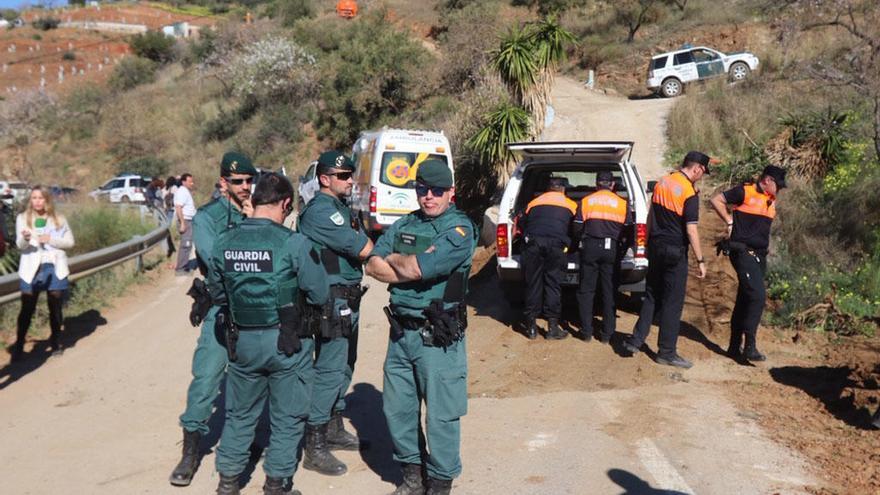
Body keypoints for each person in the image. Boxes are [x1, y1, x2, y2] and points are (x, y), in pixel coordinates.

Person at [209, 172, 328, 495]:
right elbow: (319, 293)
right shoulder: (294, 243)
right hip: (287, 342)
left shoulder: (225, 241)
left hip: (242, 342)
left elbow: (217, 294)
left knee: (239, 414)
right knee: (288, 417)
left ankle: (228, 481)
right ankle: (277, 483)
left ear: (254, 199)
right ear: (286, 204)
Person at [366, 159, 476, 495]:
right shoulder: (405, 223)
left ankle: (440, 483)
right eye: (422, 190)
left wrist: (401, 262)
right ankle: (412, 476)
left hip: (437, 336)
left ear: (451, 192)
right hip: (400, 334)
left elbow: (416, 269)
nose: (429, 197)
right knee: (398, 409)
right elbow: (372, 265)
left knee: (441, 415)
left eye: (437, 191)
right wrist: (406, 263)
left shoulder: (458, 230)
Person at [168, 152, 256, 487]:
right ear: (223, 183)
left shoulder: (259, 211)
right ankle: (190, 451)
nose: (245, 187)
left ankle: (243, 442)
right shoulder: (207, 217)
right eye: (238, 181)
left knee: (250, 380)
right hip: (221, 308)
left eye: (249, 180)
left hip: (254, 309)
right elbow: (216, 259)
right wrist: (251, 229)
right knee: (206, 379)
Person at [297, 151, 374, 476]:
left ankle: (333, 425)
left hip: (346, 298)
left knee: (344, 364)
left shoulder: (339, 208)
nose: (349, 180)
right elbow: (362, 248)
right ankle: (314, 445)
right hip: (330, 300)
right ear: (324, 179)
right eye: (342, 176)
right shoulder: (321, 212)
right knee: (329, 368)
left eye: (350, 174)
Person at [623, 151, 710, 369]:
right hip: (674, 251)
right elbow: (691, 230)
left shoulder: (663, 182)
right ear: (697, 168)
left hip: (656, 246)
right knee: (672, 301)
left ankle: (636, 340)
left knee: (651, 294)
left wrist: (645, 244)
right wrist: (700, 260)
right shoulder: (689, 193)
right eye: (703, 172)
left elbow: (651, 214)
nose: (702, 176)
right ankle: (667, 352)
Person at [710, 165, 786, 362]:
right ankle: (750, 346)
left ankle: (734, 346)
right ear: (767, 180)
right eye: (778, 185)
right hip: (743, 252)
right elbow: (716, 199)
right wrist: (729, 220)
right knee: (758, 296)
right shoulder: (745, 191)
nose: (779, 189)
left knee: (745, 298)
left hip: (760, 255)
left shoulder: (771, 200)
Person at [10, 186, 75, 361]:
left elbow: (70, 242)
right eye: (34, 198)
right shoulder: (23, 218)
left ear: (47, 200)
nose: (37, 201)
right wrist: (24, 238)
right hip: (31, 268)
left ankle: (55, 341)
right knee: (27, 308)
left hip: (54, 267)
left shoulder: (58, 218)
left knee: (55, 306)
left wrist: (51, 239)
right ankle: (19, 344)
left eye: (41, 198)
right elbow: (19, 246)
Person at [574, 171, 630, 343]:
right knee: (609, 290)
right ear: (612, 185)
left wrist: (576, 246)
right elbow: (628, 230)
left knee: (586, 290)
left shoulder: (586, 201)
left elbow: (576, 228)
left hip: (590, 247)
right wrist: (622, 248)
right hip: (611, 249)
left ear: (596, 184)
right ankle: (607, 334)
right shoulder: (622, 204)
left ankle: (586, 332)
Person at [518, 176, 577, 340]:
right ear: (563, 189)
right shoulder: (571, 205)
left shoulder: (534, 202)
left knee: (532, 283)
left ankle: (531, 327)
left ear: (548, 188)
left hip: (533, 245)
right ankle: (552, 328)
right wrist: (571, 246)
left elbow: (522, 223)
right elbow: (575, 228)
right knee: (553, 284)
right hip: (556, 246)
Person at [174, 173, 196, 274]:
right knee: (186, 244)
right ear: (184, 182)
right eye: (190, 181)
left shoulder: (185, 191)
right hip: (185, 221)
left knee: (188, 244)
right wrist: (183, 223)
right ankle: (180, 268)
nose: (192, 183)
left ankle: (184, 265)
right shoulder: (182, 191)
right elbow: (178, 207)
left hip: (189, 220)